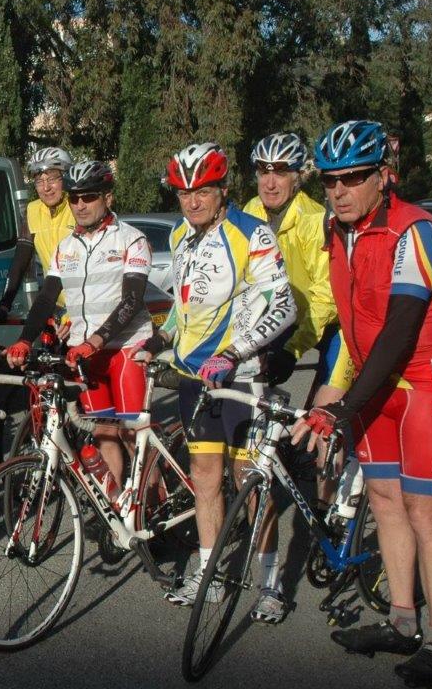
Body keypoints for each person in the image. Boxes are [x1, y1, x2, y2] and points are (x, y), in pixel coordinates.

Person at [291, 120, 432, 685]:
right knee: (384, 501)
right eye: (330, 181)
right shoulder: (338, 232)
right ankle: (402, 621)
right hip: (376, 391)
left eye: (353, 178)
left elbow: (399, 331)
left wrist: (343, 407)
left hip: (422, 386)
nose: (339, 190)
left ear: (383, 176)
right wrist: (334, 389)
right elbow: (350, 329)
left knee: (425, 513)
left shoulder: (414, 230)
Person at [137, 143, 296, 620]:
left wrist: (234, 352)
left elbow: (284, 305)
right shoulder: (182, 236)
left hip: (241, 380)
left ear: (223, 189)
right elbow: (183, 309)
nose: (192, 202)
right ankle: (209, 576)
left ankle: (270, 584)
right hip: (195, 381)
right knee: (205, 479)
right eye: (184, 193)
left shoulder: (251, 234)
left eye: (202, 191)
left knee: (251, 482)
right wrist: (160, 338)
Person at [5, 161, 152, 493]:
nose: (80, 205)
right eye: (74, 198)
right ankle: (116, 507)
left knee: (132, 435)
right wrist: (24, 340)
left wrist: (95, 341)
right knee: (103, 433)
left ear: (108, 197)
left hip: (126, 349)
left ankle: (152, 503)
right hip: (85, 354)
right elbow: (47, 297)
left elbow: (132, 301)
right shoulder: (66, 247)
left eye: (89, 197)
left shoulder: (131, 239)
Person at [244, 132, 354, 506]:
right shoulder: (250, 212)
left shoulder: (314, 220)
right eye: (263, 172)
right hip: (285, 319)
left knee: (324, 418)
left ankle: (326, 510)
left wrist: (292, 349)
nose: (270, 182)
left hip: (333, 325)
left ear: (297, 176)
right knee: (255, 394)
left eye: (280, 172)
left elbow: (326, 298)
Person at [0, 146, 74, 328]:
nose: (46, 188)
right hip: (56, 305)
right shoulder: (33, 210)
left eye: (52, 179)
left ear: (65, 178)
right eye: (39, 181)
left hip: (85, 304)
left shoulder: (78, 207)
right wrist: (4, 306)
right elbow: (21, 261)